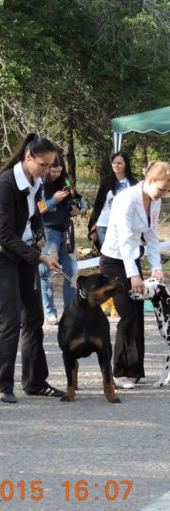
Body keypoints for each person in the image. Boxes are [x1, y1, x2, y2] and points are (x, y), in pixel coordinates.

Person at [0, 133, 64, 404]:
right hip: (0, 255)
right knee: (10, 319)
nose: (47, 171)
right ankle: (3, 385)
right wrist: (39, 257)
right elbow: (2, 233)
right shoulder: (5, 185)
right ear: (28, 157)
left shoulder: (37, 182)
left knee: (34, 317)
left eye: (51, 166)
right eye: (43, 165)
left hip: (24, 254)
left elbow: (37, 213)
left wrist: (39, 232)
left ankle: (35, 382)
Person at [99, 161, 170, 389]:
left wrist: (156, 266)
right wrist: (133, 275)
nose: (164, 194)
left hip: (131, 258)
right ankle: (118, 372)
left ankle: (135, 370)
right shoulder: (125, 199)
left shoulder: (155, 202)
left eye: (167, 191)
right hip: (113, 260)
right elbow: (125, 239)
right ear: (150, 181)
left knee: (138, 314)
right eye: (162, 189)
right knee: (127, 314)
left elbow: (151, 235)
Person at [38, 154, 79, 325]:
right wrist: (53, 200)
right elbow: (39, 209)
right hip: (49, 230)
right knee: (47, 272)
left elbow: (72, 198)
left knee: (71, 271)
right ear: (47, 168)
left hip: (66, 229)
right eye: (53, 170)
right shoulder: (39, 182)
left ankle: (70, 311)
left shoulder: (65, 180)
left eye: (59, 171)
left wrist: (75, 207)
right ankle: (49, 311)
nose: (56, 174)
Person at [88, 151, 138, 251]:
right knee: (107, 258)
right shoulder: (106, 182)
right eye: (114, 163)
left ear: (126, 165)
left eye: (119, 163)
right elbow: (98, 205)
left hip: (125, 226)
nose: (116, 165)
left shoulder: (133, 184)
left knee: (123, 256)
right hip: (104, 225)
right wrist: (92, 227)